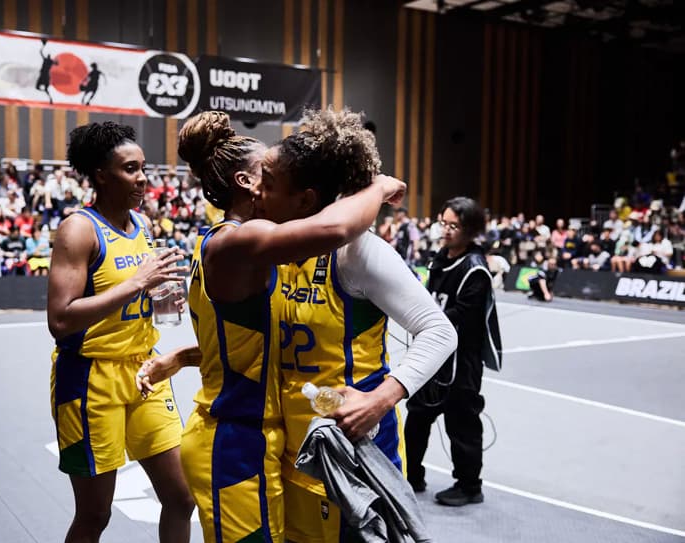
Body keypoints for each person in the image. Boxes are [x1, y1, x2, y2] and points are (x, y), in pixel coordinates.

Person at [137, 109, 407, 543]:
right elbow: (336, 226)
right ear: (248, 182)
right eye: (271, 170)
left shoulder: (254, 247)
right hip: (232, 438)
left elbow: (242, 345)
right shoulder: (235, 241)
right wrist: (377, 186)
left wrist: (179, 356)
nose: (281, 175)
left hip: (266, 437)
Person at [260, 109, 456, 542]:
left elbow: (440, 331)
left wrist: (382, 398)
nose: (258, 192)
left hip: (353, 444)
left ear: (306, 198)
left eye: (269, 184)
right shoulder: (275, 244)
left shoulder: (358, 253)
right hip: (294, 442)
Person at [46, 121, 194, 543]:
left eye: (143, 168)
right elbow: (60, 319)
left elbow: (140, 291)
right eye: (130, 169)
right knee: (95, 515)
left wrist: (163, 297)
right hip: (92, 380)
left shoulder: (142, 226)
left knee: (181, 498)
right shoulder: (78, 229)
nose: (142, 178)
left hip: (145, 371)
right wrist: (136, 284)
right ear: (100, 175)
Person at [404, 196, 502, 507]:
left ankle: (470, 485)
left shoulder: (475, 271)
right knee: (417, 416)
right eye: (443, 223)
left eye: (453, 226)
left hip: (462, 362)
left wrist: (421, 318)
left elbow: (460, 319)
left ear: (470, 230)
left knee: (462, 424)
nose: (445, 230)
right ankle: (411, 474)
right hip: (433, 357)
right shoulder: (439, 259)